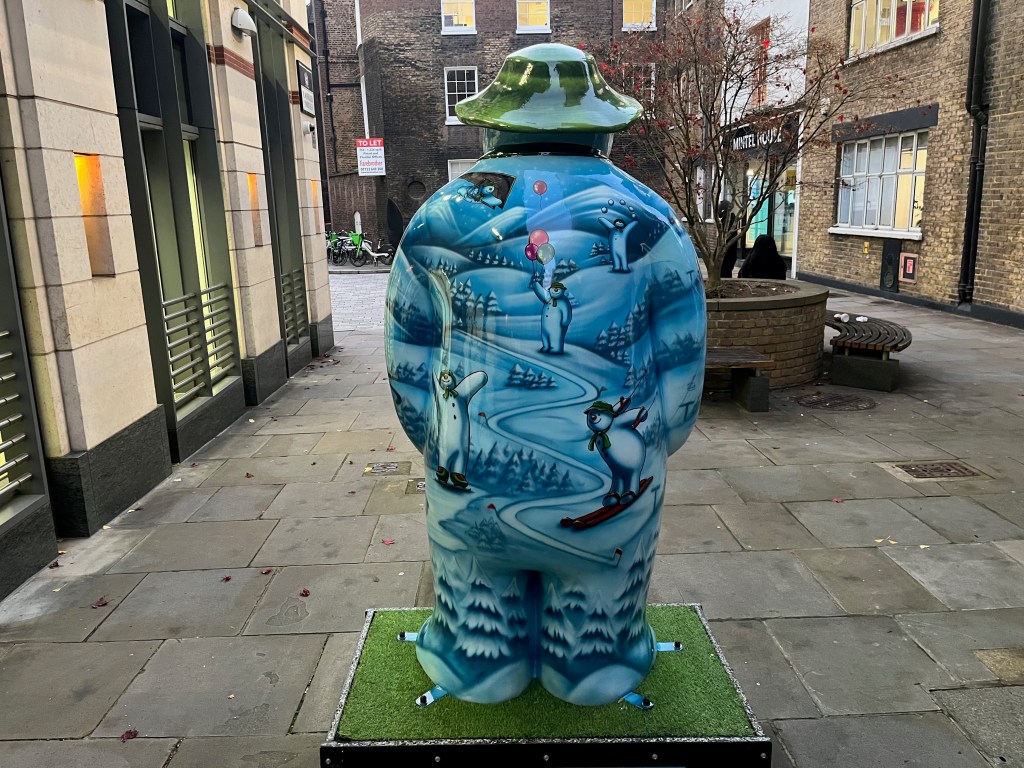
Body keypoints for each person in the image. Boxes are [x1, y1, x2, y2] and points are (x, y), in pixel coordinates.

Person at [716, 200, 739, 278]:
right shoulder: (727, 219)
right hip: (727, 252)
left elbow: (726, 237)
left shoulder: (729, 220)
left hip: (727, 253)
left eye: (719, 209)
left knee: (724, 273)